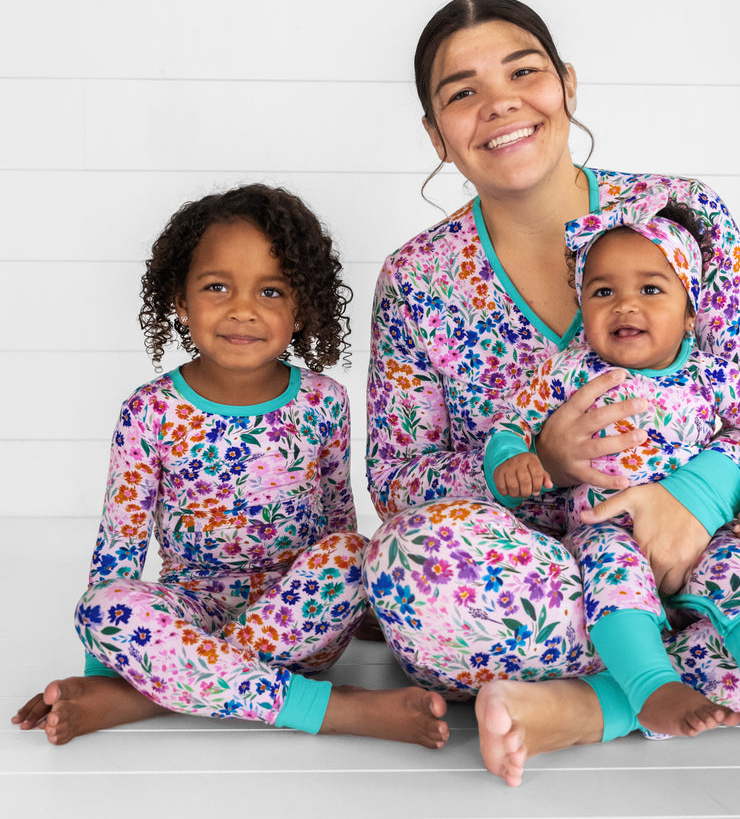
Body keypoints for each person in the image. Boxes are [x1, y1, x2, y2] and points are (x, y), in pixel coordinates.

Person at [361, 0, 740, 787]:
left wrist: (690, 500)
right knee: (411, 566)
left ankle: (592, 706)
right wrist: (541, 464)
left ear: (568, 85)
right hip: (552, 573)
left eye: (524, 72)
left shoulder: (681, 212)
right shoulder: (418, 277)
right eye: (462, 92)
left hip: (719, 543)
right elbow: (399, 485)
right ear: (435, 133)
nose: (501, 104)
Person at [11, 184, 448, 749]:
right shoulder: (150, 410)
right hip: (189, 607)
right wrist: (105, 663)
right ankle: (327, 708)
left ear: (300, 308)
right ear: (180, 299)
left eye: (271, 291)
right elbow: (119, 546)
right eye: (217, 286)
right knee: (103, 607)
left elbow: (338, 517)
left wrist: (356, 599)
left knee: (350, 556)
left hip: (296, 613)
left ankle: (146, 693)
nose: (243, 309)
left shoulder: (324, 400)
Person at [488, 195, 740, 738]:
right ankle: (653, 686)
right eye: (603, 291)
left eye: (651, 289)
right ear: (583, 308)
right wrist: (515, 458)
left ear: (689, 312)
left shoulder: (715, 376)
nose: (625, 305)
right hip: (605, 526)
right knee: (613, 583)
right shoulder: (570, 372)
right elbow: (508, 424)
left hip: (708, 532)